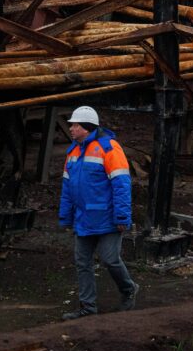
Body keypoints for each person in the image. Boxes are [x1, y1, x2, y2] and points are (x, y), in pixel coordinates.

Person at [58, 105, 139, 319]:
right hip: (83, 219)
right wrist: (65, 216)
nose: (71, 129)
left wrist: (122, 217)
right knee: (82, 262)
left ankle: (128, 289)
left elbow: (121, 184)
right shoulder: (73, 152)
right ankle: (88, 307)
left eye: (75, 125)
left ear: (86, 127)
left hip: (107, 218)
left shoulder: (109, 148)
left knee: (110, 259)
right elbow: (67, 187)